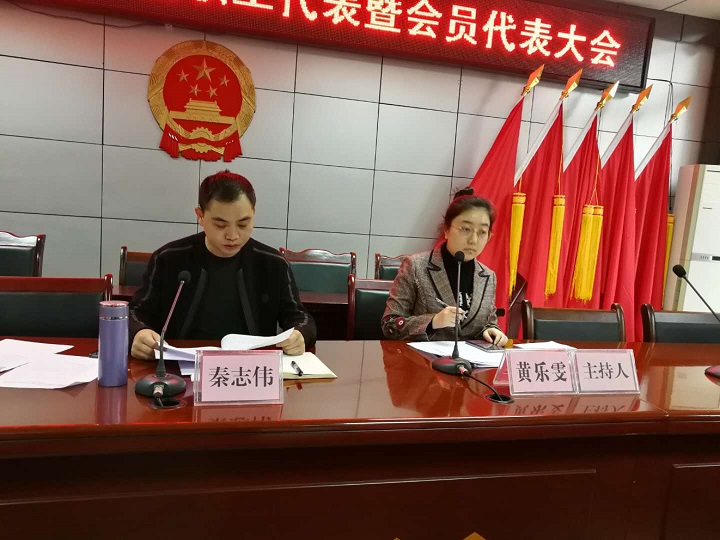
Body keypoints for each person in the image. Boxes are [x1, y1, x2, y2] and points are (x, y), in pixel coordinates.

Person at [129, 171, 315, 360]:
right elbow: (136, 312)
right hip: (180, 366)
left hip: (251, 367)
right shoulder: (168, 258)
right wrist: (138, 332)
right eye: (220, 225)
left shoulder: (273, 264)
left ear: (253, 213)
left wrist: (300, 334)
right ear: (200, 215)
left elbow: (301, 318)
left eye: (243, 224)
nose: (232, 236)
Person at [381, 188, 508, 346]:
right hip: (422, 359)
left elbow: (489, 322)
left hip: (470, 360)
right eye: (466, 229)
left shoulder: (488, 276)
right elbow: (390, 325)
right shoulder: (415, 266)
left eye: (482, 232)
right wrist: (433, 321)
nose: (474, 240)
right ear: (446, 229)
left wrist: (492, 330)